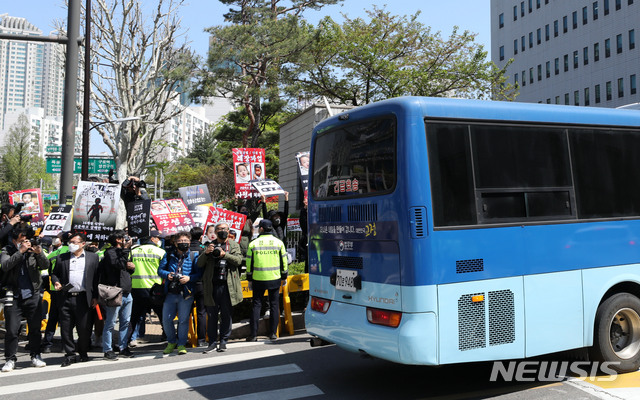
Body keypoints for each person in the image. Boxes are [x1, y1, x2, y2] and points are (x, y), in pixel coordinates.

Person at [0, 227, 50, 372]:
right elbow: (5, 266)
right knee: (12, 329)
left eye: (26, 240)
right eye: (22, 241)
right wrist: (20, 251)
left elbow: (45, 266)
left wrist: (39, 253)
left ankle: (35, 355)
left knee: (35, 328)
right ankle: (10, 359)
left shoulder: (33, 251)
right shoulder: (7, 250)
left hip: (32, 294)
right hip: (13, 295)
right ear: (15, 240)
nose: (25, 243)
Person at [51, 232, 100, 367]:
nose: (71, 245)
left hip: (84, 298)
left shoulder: (93, 258)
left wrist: (95, 296)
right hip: (66, 298)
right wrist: (56, 282)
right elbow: (54, 274)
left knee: (84, 328)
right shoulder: (62, 257)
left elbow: (96, 278)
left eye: (74, 242)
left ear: (83, 244)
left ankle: (83, 351)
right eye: (70, 242)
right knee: (66, 328)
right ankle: (70, 354)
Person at [197, 222, 243, 353]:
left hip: (227, 285)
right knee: (211, 315)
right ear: (215, 232)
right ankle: (211, 342)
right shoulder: (209, 245)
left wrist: (225, 255)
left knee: (226, 314)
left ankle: (223, 341)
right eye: (219, 229)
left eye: (224, 229)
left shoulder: (234, 245)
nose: (222, 231)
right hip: (212, 285)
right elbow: (199, 264)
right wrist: (206, 253)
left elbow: (238, 261)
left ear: (228, 231)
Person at [157, 231, 201, 355]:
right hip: (170, 292)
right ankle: (171, 342)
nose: (183, 244)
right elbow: (160, 270)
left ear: (190, 242)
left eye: (186, 241)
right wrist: (168, 275)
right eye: (180, 241)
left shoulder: (194, 256)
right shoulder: (169, 255)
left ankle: (181, 344)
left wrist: (189, 278)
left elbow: (199, 274)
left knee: (183, 320)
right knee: (166, 319)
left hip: (186, 293)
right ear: (175, 243)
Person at [246, 219, 288, 341]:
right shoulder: (278, 242)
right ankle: (273, 333)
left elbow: (249, 263)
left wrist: (249, 279)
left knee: (256, 305)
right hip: (274, 278)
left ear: (262, 229)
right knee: (274, 305)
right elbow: (284, 261)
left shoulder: (254, 243)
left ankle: (253, 335)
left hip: (258, 279)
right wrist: (284, 276)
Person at [99, 230, 135, 360]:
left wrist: (132, 267)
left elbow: (127, 269)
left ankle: (123, 347)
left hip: (126, 291)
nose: (126, 239)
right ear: (118, 240)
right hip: (114, 291)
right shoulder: (110, 252)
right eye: (123, 237)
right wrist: (125, 251)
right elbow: (118, 265)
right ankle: (107, 349)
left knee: (125, 321)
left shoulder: (125, 252)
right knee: (111, 322)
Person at [128, 230, 166, 348]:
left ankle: (131, 339)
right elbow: (165, 269)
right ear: (152, 239)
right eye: (157, 238)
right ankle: (167, 335)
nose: (159, 240)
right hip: (156, 288)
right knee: (162, 314)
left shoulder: (133, 251)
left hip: (137, 287)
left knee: (135, 316)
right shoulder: (161, 252)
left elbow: (128, 266)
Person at [41, 232, 70, 353]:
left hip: (54, 289)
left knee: (53, 317)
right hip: (69, 289)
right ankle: (65, 344)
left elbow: (46, 272)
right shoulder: (74, 253)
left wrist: (49, 286)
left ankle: (47, 344)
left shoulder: (52, 254)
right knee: (67, 318)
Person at [189, 227, 207, 347]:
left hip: (188, 283)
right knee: (201, 312)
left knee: (186, 312)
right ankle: (201, 339)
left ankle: (187, 338)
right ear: (201, 236)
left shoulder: (186, 249)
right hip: (201, 283)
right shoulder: (204, 249)